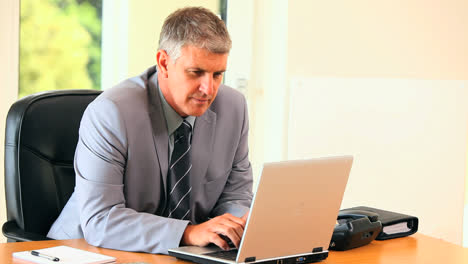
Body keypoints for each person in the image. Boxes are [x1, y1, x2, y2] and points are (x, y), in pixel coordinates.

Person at [47, 7, 253, 254]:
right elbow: (101, 220)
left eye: (217, 74)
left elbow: (236, 196)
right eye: (196, 72)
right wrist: (188, 233)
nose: (208, 89)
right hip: (85, 251)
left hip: (178, 254)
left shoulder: (234, 108)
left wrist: (239, 227)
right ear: (164, 63)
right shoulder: (111, 113)